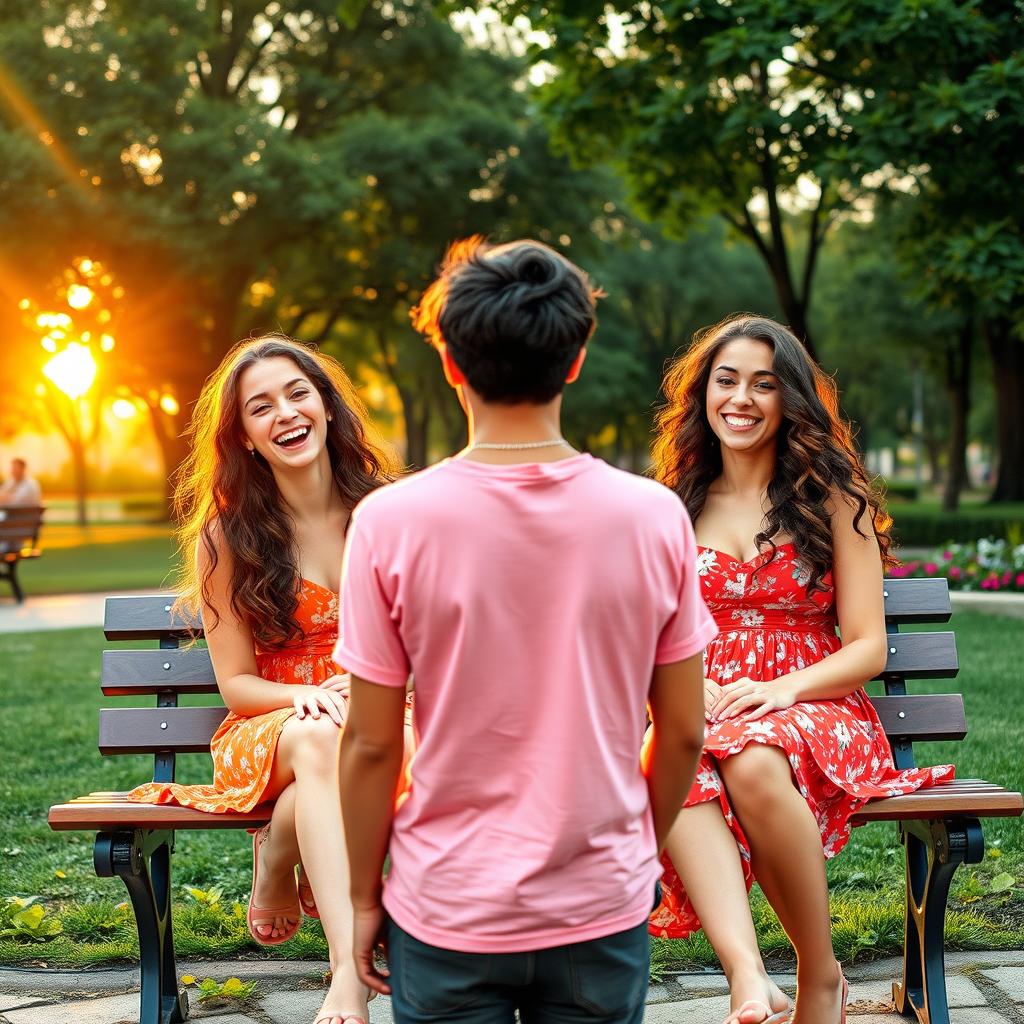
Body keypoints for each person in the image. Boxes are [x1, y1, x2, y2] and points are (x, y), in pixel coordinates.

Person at [335, 237, 716, 1024]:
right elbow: (681, 730)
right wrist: (631, 845)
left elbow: (371, 745)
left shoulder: (389, 523)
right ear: (576, 359)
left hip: (446, 902)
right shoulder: (653, 518)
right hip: (601, 901)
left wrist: (360, 894)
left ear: (450, 363)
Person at [648, 315, 955, 1024]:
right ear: (702, 396)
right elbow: (648, 635)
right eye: (726, 381)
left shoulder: (832, 499)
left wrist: (781, 689)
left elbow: (867, 648)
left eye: (764, 384)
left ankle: (818, 976)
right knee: (683, 753)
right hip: (708, 702)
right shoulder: (671, 506)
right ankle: (748, 975)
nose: (741, 399)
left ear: (791, 399)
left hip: (818, 701)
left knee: (753, 756)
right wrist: (692, 689)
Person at [129, 335, 401, 1024]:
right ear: (245, 436)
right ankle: (346, 973)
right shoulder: (229, 535)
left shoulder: (390, 512)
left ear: (328, 407)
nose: (284, 412)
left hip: (384, 718)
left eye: (297, 393)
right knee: (318, 740)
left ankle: (278, 849)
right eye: (261, 406)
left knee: (351, 745)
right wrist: (305, 696)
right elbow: (238, 686)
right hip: (272, 728)